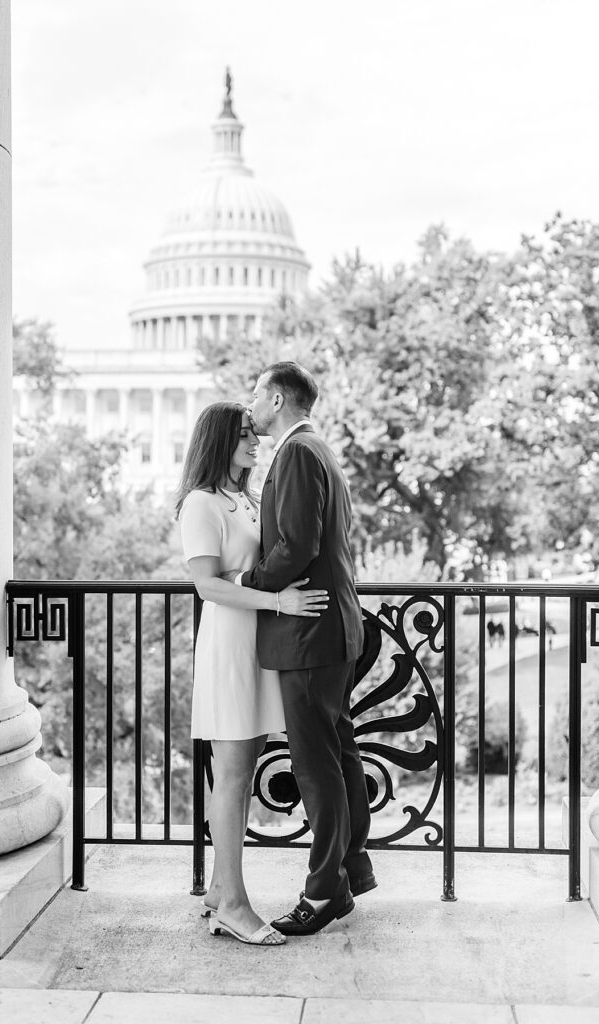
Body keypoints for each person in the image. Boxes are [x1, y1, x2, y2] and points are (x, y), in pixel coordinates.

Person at [175, 401, 329, 948]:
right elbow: (207, 585)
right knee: (234, 774)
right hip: (229, 646)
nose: (255, 441)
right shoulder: (200, 503)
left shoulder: (245, 497)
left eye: (253, 433)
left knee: (241, 772)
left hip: (258, 645)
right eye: (243, 435)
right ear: (219, 441)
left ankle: (220, 889)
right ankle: (234, 907)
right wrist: (279, 602)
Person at [237, 360, 375, 936]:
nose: (251, 406)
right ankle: (352, 868)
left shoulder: (295, 452)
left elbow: (296, 546)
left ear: (276, 399)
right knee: (338, 754)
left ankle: (323, 894)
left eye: (256, 395)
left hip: (309, 633)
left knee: (316, 766)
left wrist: (247, 584)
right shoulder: (318, 448)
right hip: (332, 629)